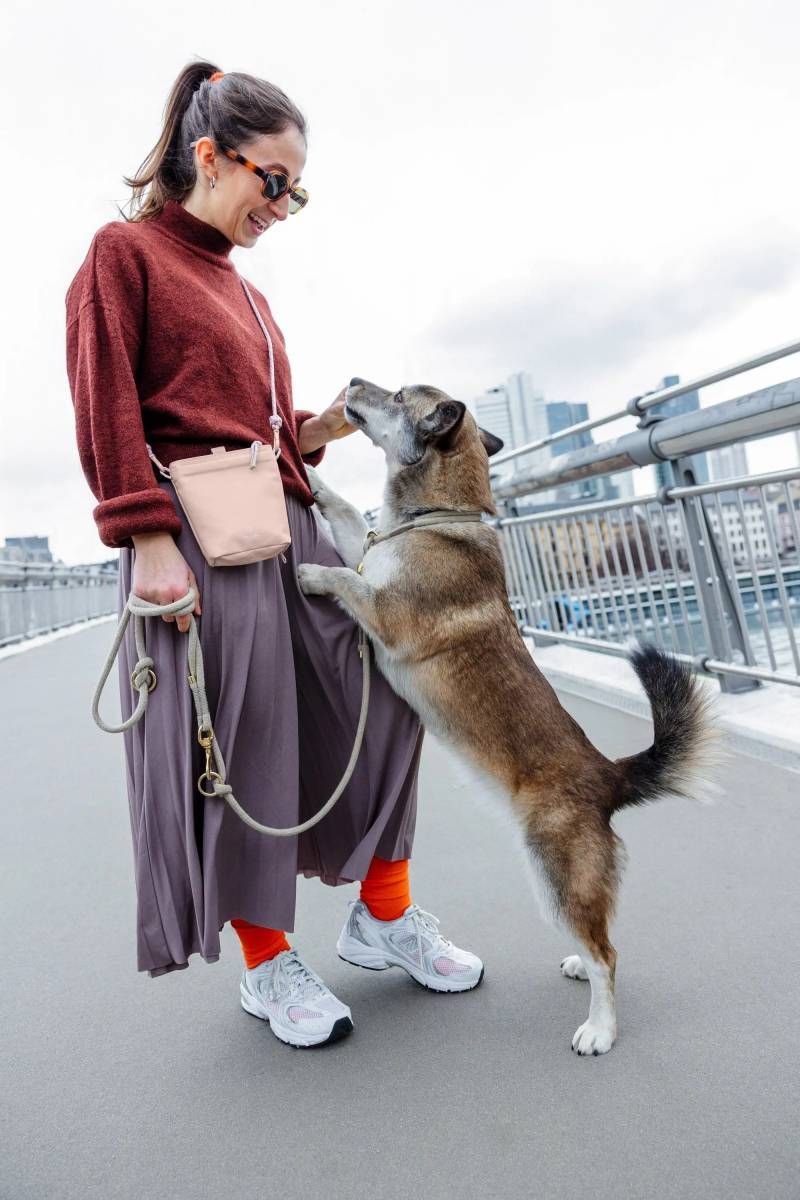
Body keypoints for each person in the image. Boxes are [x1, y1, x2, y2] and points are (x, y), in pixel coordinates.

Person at [64, 60, 483, 1048]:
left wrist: (321, 426)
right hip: (199, 539)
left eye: (297, 191)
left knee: (387, 697)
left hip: (291, 526)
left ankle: (383, 915)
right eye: (276, 181)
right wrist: (148, 541)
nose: (285, 206)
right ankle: (267, 964)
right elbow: (107, 404)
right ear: (211, 156)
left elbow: (255, 427)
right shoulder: (123, 256)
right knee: (244, 741)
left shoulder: (246, 293)